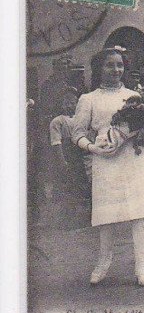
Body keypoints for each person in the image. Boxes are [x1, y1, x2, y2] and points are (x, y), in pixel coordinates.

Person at [71, 48, 144, 286]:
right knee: (107, 215)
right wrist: (93, 148)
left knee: (139, 213)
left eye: (120, 65)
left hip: (134, 156)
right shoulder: (89, 99)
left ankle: (141, 266)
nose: (116, 70)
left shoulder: (135, 96)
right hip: (106, 158)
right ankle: (104, 261)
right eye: (110, 65)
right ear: (99, 69)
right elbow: (77, 132)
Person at [47, 88, 91, 229]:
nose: (70, 106)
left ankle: (82, 217)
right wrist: (62, 161)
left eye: (73, 102)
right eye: (66, 102)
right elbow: (56, 143)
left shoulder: (80, 119)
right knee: (67, 187)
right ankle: (67, 220)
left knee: (80, 185)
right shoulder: (57, 121)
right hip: (66, 154)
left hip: (79, 155)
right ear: (61, 104)